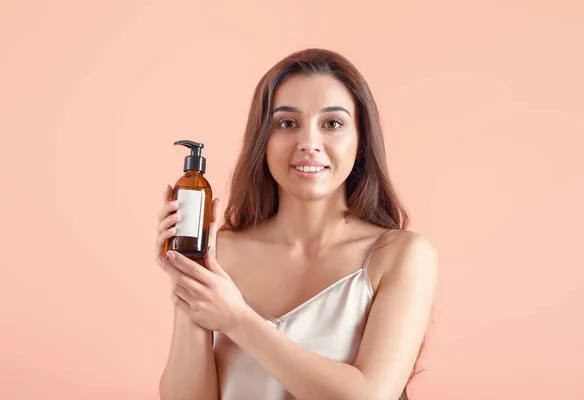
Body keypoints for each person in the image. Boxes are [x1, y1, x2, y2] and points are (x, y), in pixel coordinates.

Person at [155, 48, 439, 400]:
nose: (308, 144)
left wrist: (236, 320)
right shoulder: (220, 251)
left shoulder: (399, 256)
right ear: (263, 140)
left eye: (332, 124)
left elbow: (369, 395)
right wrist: (190, 279)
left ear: (362, 141)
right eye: (287, 124)